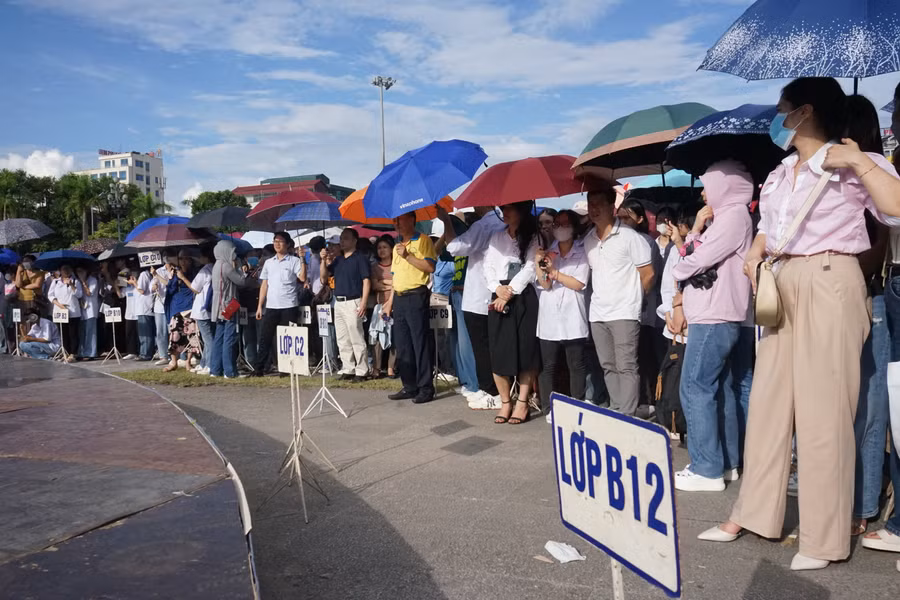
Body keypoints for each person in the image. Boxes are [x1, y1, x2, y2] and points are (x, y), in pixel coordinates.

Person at [700, 77, 900, 571]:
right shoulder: (780, 172)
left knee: (825, 412)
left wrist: (857, 161)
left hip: (832, 278)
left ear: (804, 111)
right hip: (782, 281)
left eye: (782, 108)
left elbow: (895, 209)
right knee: (768, 404)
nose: (778, 118)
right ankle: (752, 513)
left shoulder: (854, 161)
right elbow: (769, 229)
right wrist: (755, 252)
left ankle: (823, 538)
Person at [670, 161, 755, 492]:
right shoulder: (729, 217)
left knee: (695, 387)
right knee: (719, 388)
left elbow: (696, 259)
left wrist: (680, 267)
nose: (704, 193)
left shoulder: (733, 216)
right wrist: (696, 231)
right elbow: (696, 251)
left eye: (708, 186)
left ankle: (706, 468)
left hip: (714, 314)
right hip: (717, 313)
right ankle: (727, 462)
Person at [584, 188, 654, 417]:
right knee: (608, 365)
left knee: (626, 366)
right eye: (590, 203)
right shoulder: (588, 240)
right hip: (598, 313)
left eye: (598, 203)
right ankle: (616, 409)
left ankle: (628, 414)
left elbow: (648, 274)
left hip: (624, 312)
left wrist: (634, 299)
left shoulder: (630, 237)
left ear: (611, 206)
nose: (593, 208)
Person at [440, 205, 506, 409]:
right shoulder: (499, 222)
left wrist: (446, 221)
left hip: (479, 295)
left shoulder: (485, 224)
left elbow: (454, 247)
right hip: (490, 292)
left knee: (481, 347)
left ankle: (491, 391)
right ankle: (492, 389)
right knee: (489, 346)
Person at [484, 201, 540, 424]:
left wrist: (509, 292)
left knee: (526, 351)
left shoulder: (534, 238)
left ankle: (522, 402)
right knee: (499, 350)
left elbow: (530, 268)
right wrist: (497, 288)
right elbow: (488, 266)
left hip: (522, 295)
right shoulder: (496, 237)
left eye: (509, 208)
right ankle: (505, 401)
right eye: (503, 209)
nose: (505, 213)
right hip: (498, 294)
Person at [534, 209, 590, 420]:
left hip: (573, 314)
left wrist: (554, 272)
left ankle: (577, 405)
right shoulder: (548, 252)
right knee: (548, 365)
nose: (560, 228)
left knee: (576, 364)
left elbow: (578, 283)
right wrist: (540, 264)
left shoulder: (582, 252)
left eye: (565, 224)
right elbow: (545, 285)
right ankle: (548, 408)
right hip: (549, 315)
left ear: (574, 227)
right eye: (557, 224)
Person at [383, 213, 438, 403]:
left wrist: (407, 255)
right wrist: (389, 303)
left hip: (416, 295)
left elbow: (430, 267)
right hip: (399, 297)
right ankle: (409, 385)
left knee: (420, 343)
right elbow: (395, 277)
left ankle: (426, 388)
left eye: (400, 219)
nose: (396, 223)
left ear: (412, 220)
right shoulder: (396, 246)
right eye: (395, 220)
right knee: (403, 344)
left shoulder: (423, 240)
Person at [619, 198, 667, 411]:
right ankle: (637, 400)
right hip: (624, 307)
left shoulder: (647, 242)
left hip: (645, 309)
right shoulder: (616, 240)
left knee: (648, 357)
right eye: (619, 217)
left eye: (626, 217)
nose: (622, 221)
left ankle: (652, 400)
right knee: (633, 358)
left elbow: (650, 278)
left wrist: (637, 298)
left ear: (639, 219)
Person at [322, 228, 372, 383]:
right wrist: (323, 260)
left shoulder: (360, 258)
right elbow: (324, 278)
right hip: (339, 301)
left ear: (354, 241)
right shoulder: (338, 260)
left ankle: (362, 370)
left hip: (354, 301)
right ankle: (348, 368)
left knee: (356, 337)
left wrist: (363, 302)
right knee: (342, 338)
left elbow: (366, 280)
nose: (342, 241)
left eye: (346, 238)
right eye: (341, 239)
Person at [252, 232, 305, 375]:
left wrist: (302, 259)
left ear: (287, 244)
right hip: (272, 306)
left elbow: (302, 278)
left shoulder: (294, 261)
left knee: (287, 338)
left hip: (289, 305)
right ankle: (259, 368)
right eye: (275, 241)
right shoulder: (269, 262)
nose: (277, 244)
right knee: (265, 338)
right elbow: (264, 285)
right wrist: (260, 306)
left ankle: (287, 368)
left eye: (280, 241)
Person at [209, 239, 248, 379]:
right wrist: (240, 268)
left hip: (218, 306)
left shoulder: (216, 265)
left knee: (219, 338)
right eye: (232, 251)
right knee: (229, 338)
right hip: (229, 305)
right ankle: (230, 371)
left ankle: (215, 369)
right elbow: (241, 281)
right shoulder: (227, 266)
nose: (234, 255)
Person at [163, 251, 201, 372]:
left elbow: (195, 288)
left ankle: (188, 362)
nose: (183, 262)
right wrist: (173, 278)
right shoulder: (176, 273)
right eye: (181, 259)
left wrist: (183, 278)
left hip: (189, 306)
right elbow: (170, 290)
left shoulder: (194, 273)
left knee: (191, 336)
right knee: (174, 335)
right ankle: (174, 361)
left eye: (186, 259)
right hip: (176, 307)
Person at [370, 234, 396, 378]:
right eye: (379, 247)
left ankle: (391, 367)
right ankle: (377, 367)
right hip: (380, 306)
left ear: (391, 249)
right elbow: (375, 285)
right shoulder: (375, 267)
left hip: (396, 305)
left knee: (395, 336)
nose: (382, 250)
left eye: (385, 247)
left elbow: (399, 283)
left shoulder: (397, 265)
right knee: (377, 336)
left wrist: (383, 282)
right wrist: (392, 285)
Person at [48, 264, 83, 361]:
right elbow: (50, 295)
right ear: (60, 271)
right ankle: (65, 352)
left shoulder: (76, 281)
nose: (66, 271)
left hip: (73, 311)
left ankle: (73, 353)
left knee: (73, 333)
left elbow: (79, 295)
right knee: (63, 333)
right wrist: (59, 305)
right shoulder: (55, 282)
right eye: (64, 269)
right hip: (60, 311)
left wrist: (71, 285)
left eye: (68, 269)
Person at [188, 252, 215, 374]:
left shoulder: (205, 270)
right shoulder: (215, 268)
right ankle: (204, 363)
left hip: (202, 309)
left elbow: (195, 288)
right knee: (207, 338)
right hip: (210, 309)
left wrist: (183, 278)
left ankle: (209, 365)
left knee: (208, 340)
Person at [75, 266, 99, 360]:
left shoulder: (93, 280)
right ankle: (81, 352)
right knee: (82, 332)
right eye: (78, 271)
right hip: (81, 310)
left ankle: (91, 353)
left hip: (90, 310)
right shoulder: (77, 281)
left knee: (90, 332)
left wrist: (84, 282)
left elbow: (89, 293)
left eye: (81, 271)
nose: (79, 273)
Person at [134, 267, 156, 361]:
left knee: (145, 333)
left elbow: (141, 290)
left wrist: (134, 283)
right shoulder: (149, 275)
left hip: (144, 308)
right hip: (148, 307)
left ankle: (145, 353)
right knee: (149, 332)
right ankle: (149, 352)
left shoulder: (144, 274)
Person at [151, 263, 170, 365]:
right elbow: (151, 288)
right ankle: (163, 355)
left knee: (174, 332)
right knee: (161, 332)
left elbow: (169, 284)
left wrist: (156, 275)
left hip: (172, 305)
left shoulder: (175, 270)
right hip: (160, 306)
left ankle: (176, 355)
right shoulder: (158, 271)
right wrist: (154, 286)